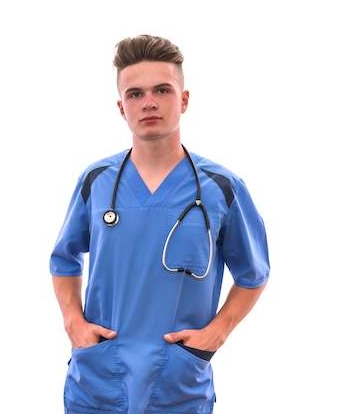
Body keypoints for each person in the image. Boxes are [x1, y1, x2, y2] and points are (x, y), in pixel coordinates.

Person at [49, 34, 270, 414]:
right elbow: (64, 259)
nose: (148, 102)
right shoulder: (97, 181)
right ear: (121, 107)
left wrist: (218, 333)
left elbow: (253, 274)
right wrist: (73, 321)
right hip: (99, 378)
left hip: (177, 381)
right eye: (135, 94)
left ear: (183, 100)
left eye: (162, 90)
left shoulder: (222, 188)